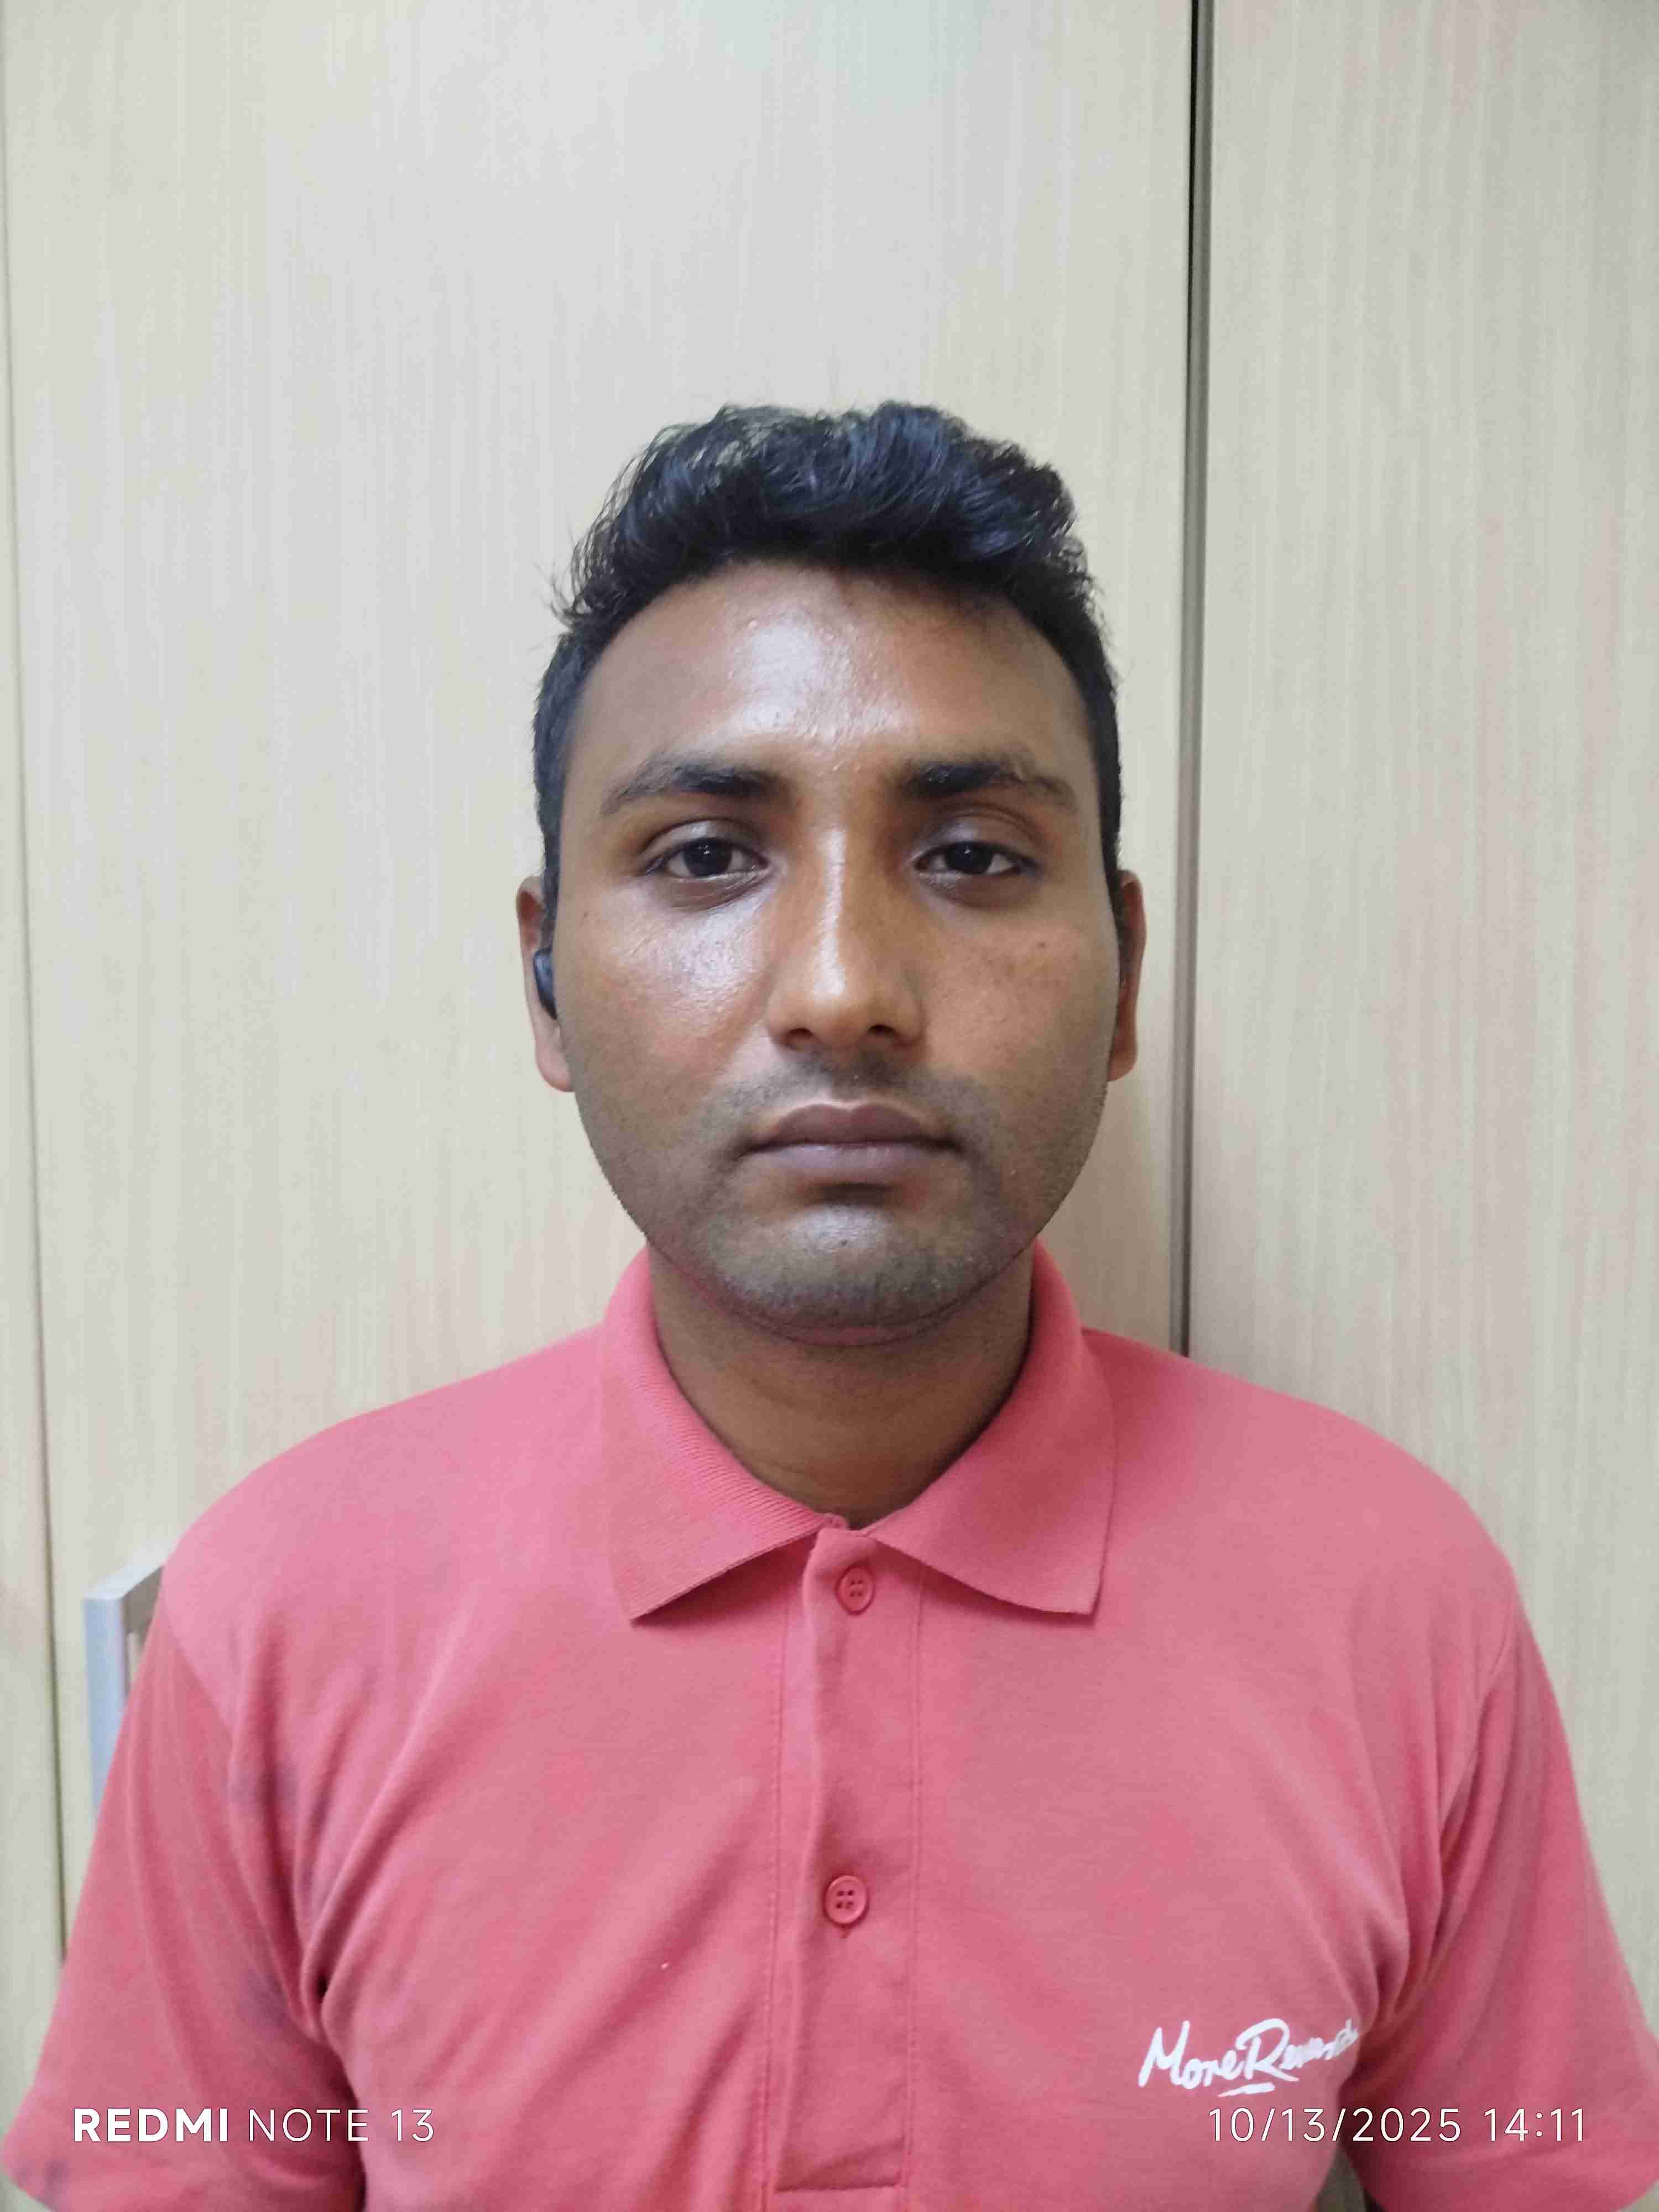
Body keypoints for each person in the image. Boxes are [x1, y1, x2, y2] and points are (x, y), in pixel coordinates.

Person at [6, 400, 1658, 2212]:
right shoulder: (281, 1617)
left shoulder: (1394, 1607)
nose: (846, 986)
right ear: (546, 982)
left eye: (972, 855)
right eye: (709, 854)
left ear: (1125, 982)